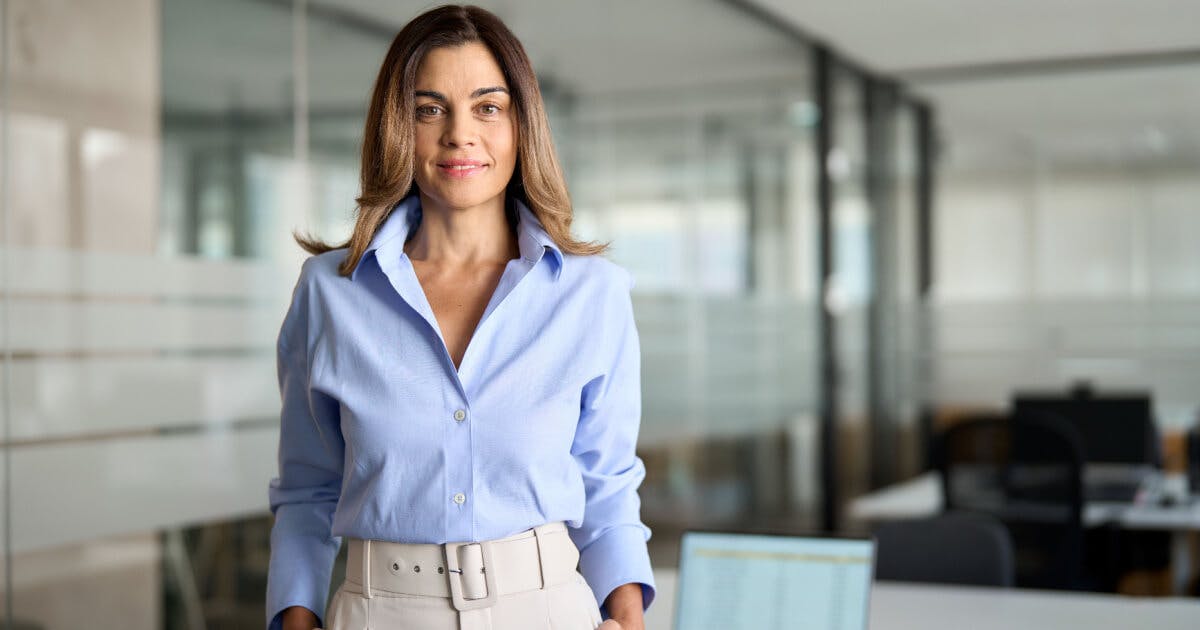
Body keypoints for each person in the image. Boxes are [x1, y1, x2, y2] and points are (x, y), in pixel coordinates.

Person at [265, 5, 654, 630]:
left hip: (548, 607)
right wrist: (295, 618)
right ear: (398, 127)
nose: (459, 135)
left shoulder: (593, 294)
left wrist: (629, 618)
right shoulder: (329, 293)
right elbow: (308, 490)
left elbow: (606, 484)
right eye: (429, 109)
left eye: (488, 107)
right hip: (379, 611)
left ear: (521, 124)